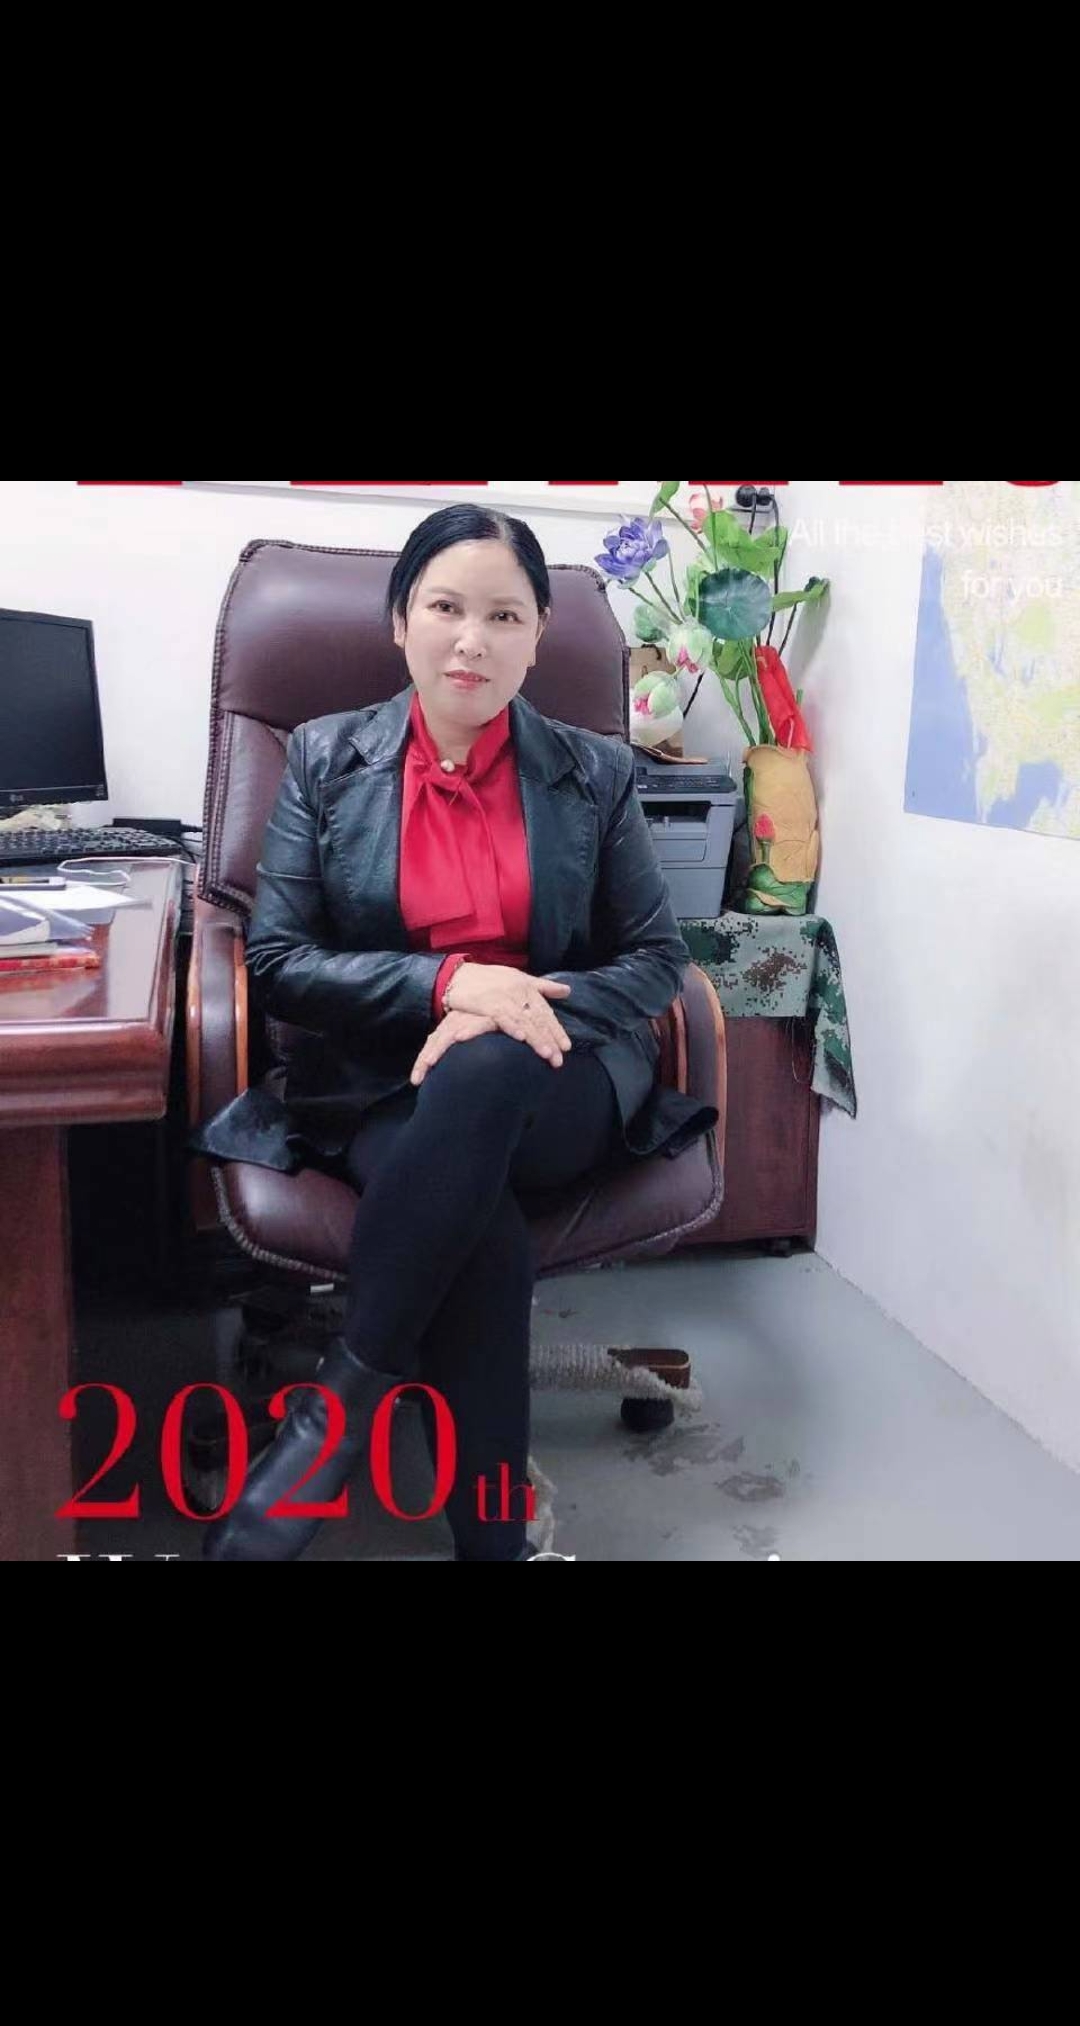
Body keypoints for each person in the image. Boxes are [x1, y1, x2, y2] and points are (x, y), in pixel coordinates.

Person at [196, 505, 718, 1562]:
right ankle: (492, 1543)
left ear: (539, 636)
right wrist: (450, 985)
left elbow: (657, 958)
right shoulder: (326, 758)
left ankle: (332, 1422)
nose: (471, 640)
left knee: (493, 1058)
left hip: (561, 1072)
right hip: (382, 1083)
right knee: (478, 1230)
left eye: (504, 616)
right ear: (401, 621)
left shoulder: (595, 772)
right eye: (444, 607)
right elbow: (279, 959)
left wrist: (515, 1007)